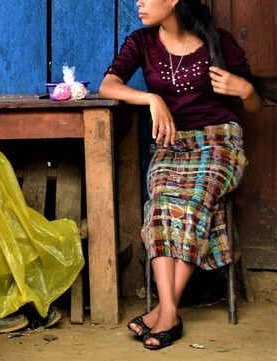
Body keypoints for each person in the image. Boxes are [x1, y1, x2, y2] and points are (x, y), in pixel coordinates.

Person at [98, 0, 270, 351]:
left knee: (192, 202)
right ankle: (170, 312)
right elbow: (107, 86)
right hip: (171, 146)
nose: (139, 3)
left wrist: (247, 91)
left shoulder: (217, 42)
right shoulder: (141, 42)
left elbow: (255, 106)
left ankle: (163, 312)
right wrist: (151, 99)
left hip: (219, 145)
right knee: (161, 202)